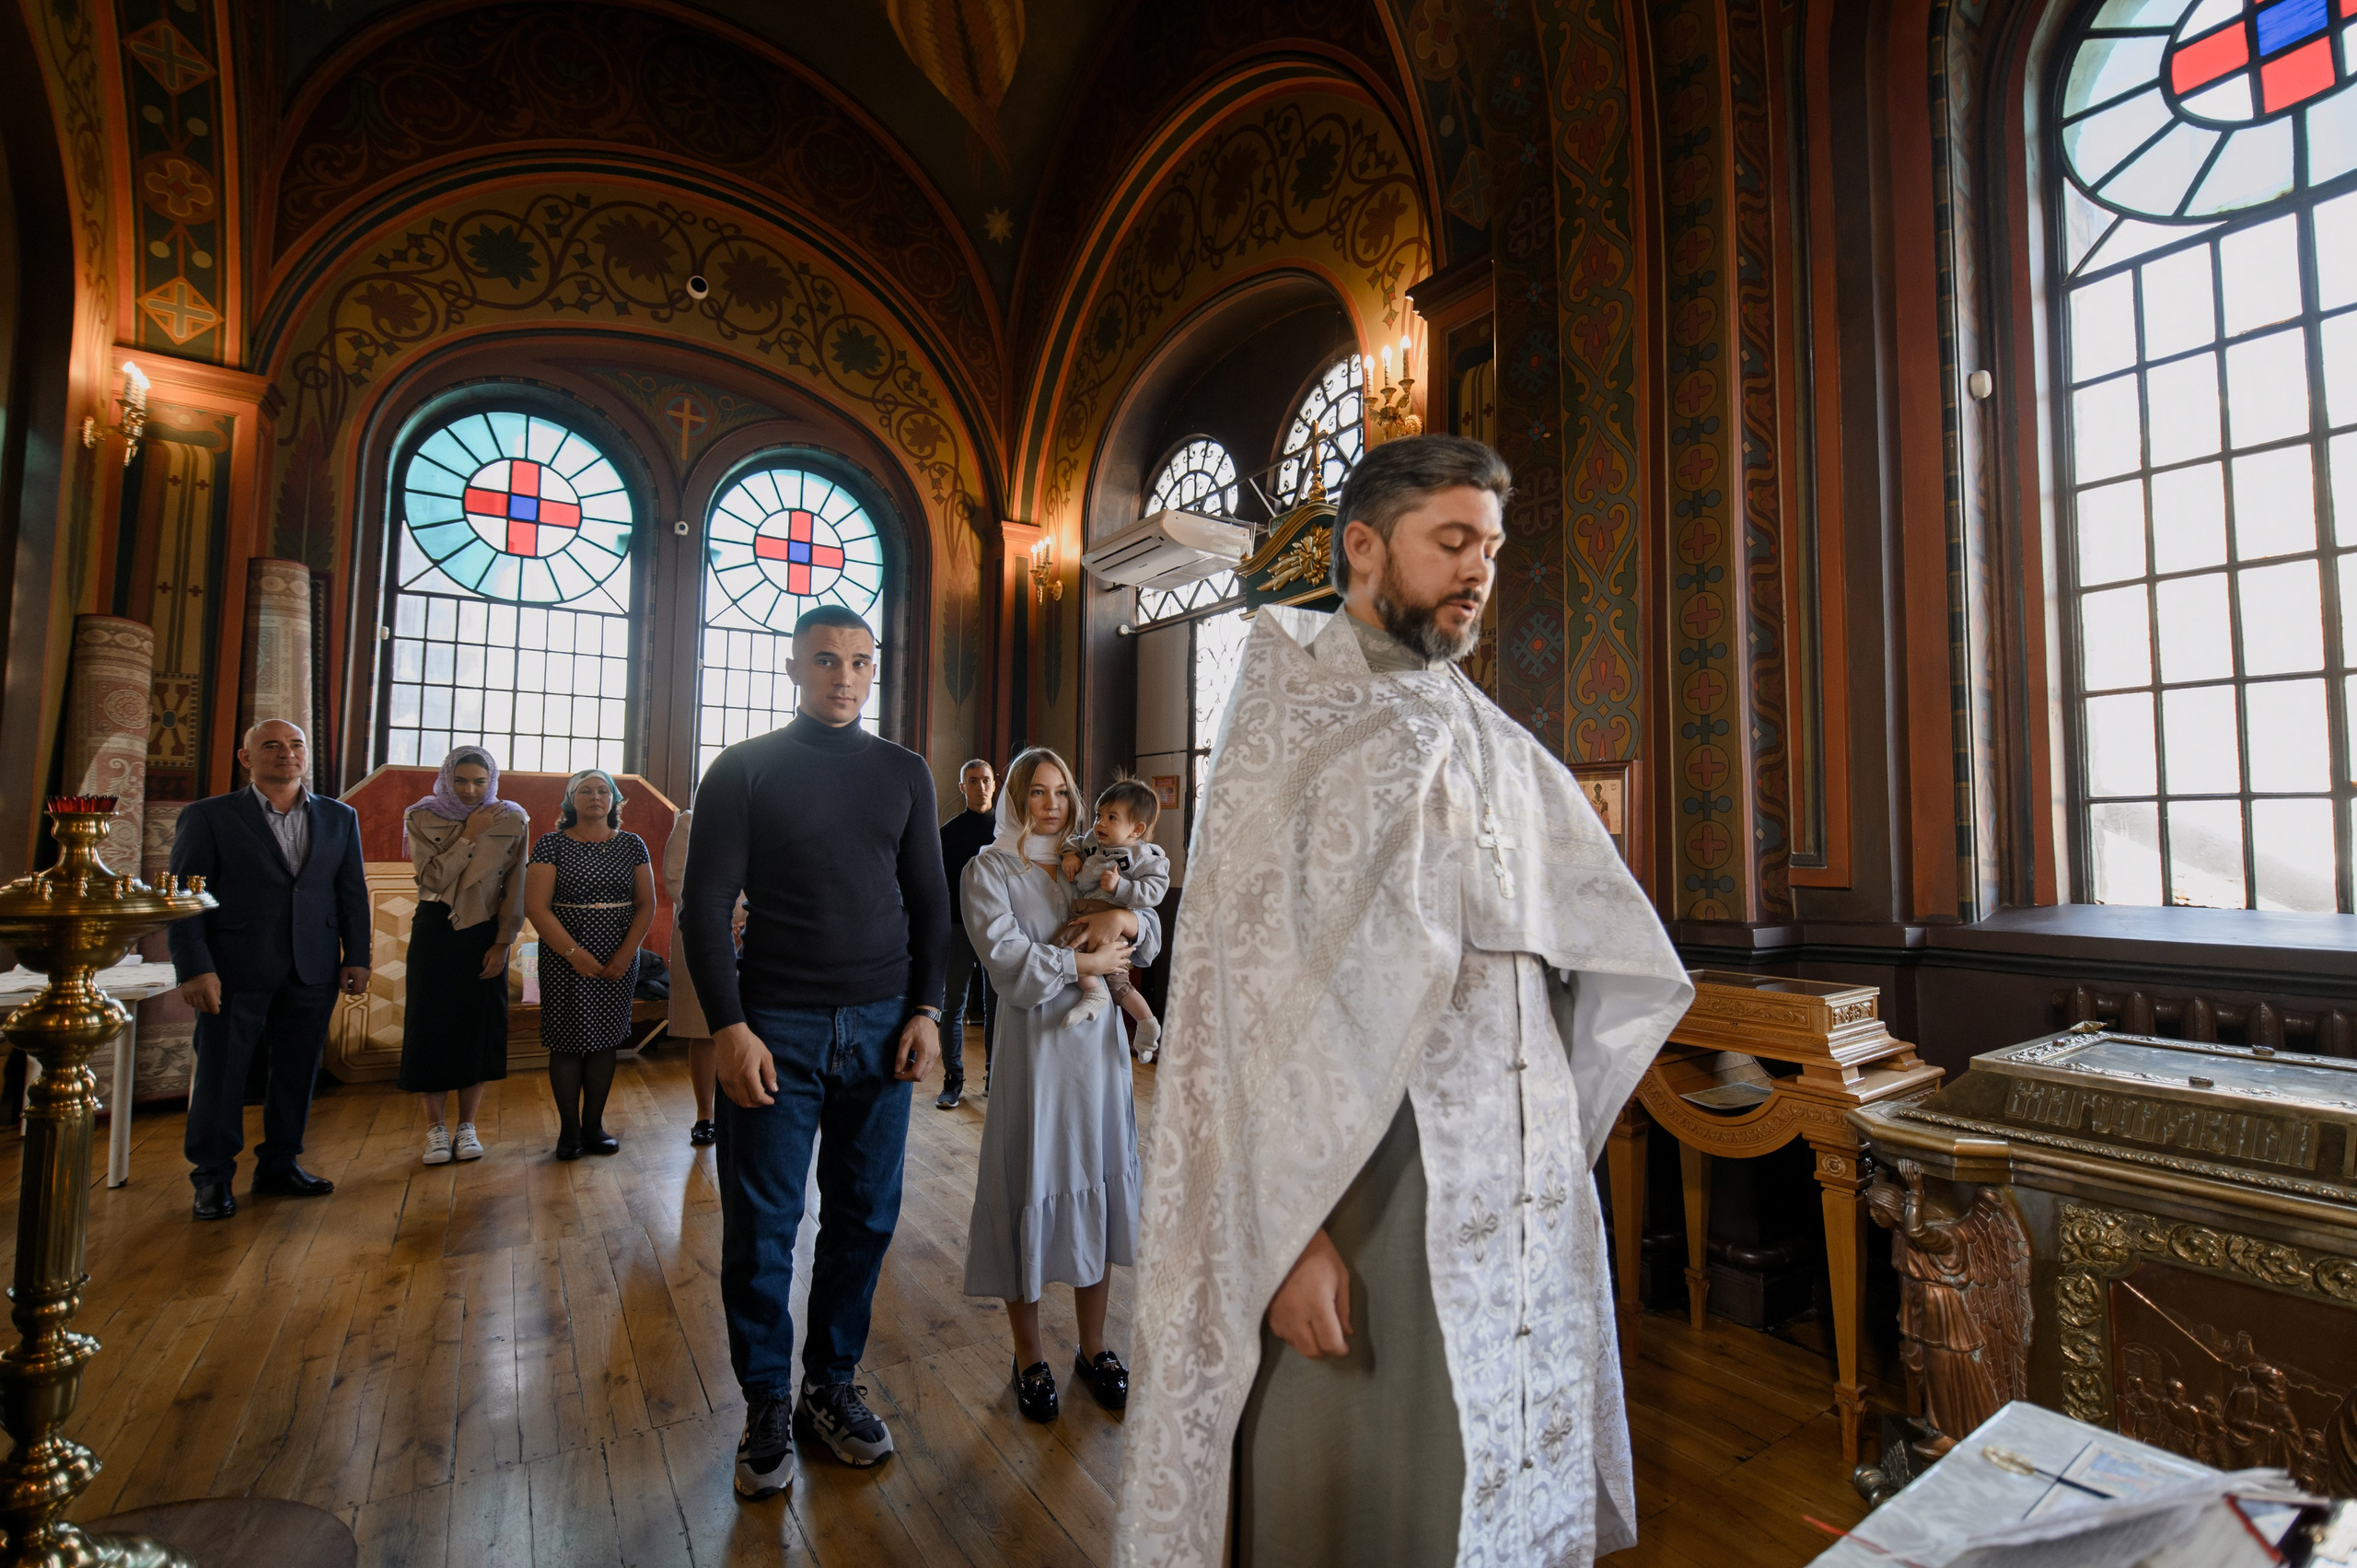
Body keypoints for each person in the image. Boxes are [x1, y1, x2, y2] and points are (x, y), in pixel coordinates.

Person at [1115, 436, 1693, 1568]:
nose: (1479, 569)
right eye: (1452, 540)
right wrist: (1285, 1240)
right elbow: (1235, 1007)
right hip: (1359, 1189)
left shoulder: (1485, 732)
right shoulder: (1289, 713)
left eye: (1492, 547)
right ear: (1365, 546)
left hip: (1511, 1190)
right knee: (1368, 1494)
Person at [679, 603, 949, 1499]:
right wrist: (729, 1025)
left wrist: (927, 1009)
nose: (844, 675)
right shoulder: (745, 767)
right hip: (774, 1027)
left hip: (883, 1025)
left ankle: (828, 1384)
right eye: (826, 659)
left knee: (864, 1216)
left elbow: (930, 903)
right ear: (794, 667)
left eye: (860, 661)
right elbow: (703, 903)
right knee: (763, 1225)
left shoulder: (904, 771)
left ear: (875, 670)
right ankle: (765, 1398)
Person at [961, 748, 1158, 1424]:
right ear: (1016, 797)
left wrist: (1121, 922)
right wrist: (1085, 962)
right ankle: (1029, 1355)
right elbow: (1006, 959)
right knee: (1031, 1181)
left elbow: (1148, 930)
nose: (1052, 805)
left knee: (1097, 1180)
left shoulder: (1095, 857)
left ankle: (1094, 1346)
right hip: (1036, 1052)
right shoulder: (990, 869)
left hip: (1098, 1052)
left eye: (1063, 792)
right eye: (1037, 792)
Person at [168, 719, 371, 1222]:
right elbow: (184, 898)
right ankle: (212, 1178)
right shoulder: (209, 816)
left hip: (313, 966)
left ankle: (280, 1164)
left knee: (297, 1073)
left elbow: (350, 892)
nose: (287, 753)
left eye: (296, 744)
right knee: (222, 1074)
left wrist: (357, 956)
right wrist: (194, 968)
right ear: (247, 758)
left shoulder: (339, 816)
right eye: (272, 745)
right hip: (234, 968)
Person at [400, 746, 530, 1166]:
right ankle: (435, 1130)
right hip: (435, 928)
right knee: (430, 1027)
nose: (470, 790)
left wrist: (503, 942)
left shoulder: (513, 818)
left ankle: (467, 1126)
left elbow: (517, 884)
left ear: (491, 781)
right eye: (460, 781)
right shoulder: (422, 815)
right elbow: (432, 877)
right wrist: (470, 834)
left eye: (479, 781)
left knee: (478, 1028)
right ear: (446, 779)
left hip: (485, 931)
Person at [523, 770, 654, 1161]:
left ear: (614, 800)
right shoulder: (551, 844)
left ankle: (594, 1126)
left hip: (618, 956)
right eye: (585, 791)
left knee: (605, 1041)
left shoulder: (632, 844)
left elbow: (646, 904)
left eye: (602, 791)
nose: (595, 797)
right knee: (566, 1042)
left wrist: (626, 954)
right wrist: (574, 953)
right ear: (570, 799)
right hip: (564, 955)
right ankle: (569, 1131)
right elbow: (536, 907)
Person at [1053, 777, 1168, 1059]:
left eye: (1112, 817)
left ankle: (1097, 994)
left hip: (1116, 921)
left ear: (1136, 829)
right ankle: (1146, 1022)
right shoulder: (1093, 841)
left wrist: (1122, 887)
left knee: (1063, 946)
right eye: (1098, 815)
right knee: (1116, 981)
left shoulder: (1144, 856)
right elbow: (1072, 841)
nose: (1100, 823)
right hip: (1088, 910)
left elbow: (1155, 890)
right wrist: (1069, 855)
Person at [661, 807, 735, 1147]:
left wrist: (750, 917)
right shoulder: (691, 821)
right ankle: (705, 1114)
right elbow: (676, 879)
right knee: (704, 1028)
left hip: (758, 931)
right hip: (703, 930)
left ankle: (746, 1111)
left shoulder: (770, 813)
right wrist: (720, 919)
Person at [935, 758, 999, 1109]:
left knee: (997, 1004)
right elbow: (939, 885)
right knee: (953, 1005)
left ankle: (994, 1077)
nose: (980, 787)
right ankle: (953, 1078)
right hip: (957, 927)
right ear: (963, 787)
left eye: (985, 780)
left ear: (995, 784)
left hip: (995, 928)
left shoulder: (1006, 831)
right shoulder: (947, 833)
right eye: (973, 781)